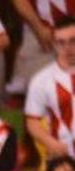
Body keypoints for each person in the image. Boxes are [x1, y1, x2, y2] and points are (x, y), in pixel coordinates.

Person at [27, 17, 75, 160]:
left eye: (73, 41)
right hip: (63, 157)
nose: (68, 48)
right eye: (61, 43)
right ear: (54, 45)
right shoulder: (41, 80)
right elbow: (32, 121)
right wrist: (50, 143)